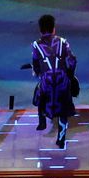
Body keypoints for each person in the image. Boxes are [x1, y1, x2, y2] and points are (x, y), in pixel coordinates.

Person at [31, 14, 78, 149]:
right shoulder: (63, 42)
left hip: (46, 80)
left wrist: (38, 73)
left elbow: (35, 63)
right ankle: (61, 139)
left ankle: (42, 121)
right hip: (62, 79)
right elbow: (72, 60)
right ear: (53, 28)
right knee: (64, 110)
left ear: (40, 29)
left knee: (38, 95)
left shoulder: (36, 44)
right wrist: (70, 74)